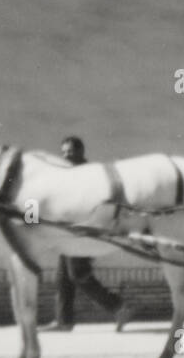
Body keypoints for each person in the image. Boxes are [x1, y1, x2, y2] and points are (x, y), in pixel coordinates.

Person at [40, 136, 133, 333]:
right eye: (64, 152)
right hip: (67, 234)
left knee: (78, 275)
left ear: (81, 152)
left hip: (83, 234)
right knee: (63, 278)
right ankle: (63, 321)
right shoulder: (64, 174)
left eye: (70, 152)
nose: (67, 156)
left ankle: (118, 307)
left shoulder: (89, 174)